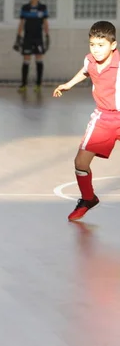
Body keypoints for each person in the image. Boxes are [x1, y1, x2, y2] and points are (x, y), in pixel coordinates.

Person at [53, 21, 119, 221]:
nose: (96, 50)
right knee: (80, 162)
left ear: (113, 45)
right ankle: (88, 198)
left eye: (101, 45)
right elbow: (85, 71)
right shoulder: (90, 61)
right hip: (104, 118)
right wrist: (69, 84)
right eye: (93, 45)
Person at [14, 0, 49, 93]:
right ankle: (23, 84)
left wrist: (47, 36)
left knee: (39, 59)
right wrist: (18, 37)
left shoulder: (43, 8)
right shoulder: (25, 8)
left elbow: (45, 23)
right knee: (26, 60)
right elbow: (21, 23)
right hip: (27, 38)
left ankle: (38, 84)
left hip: (38, 38)